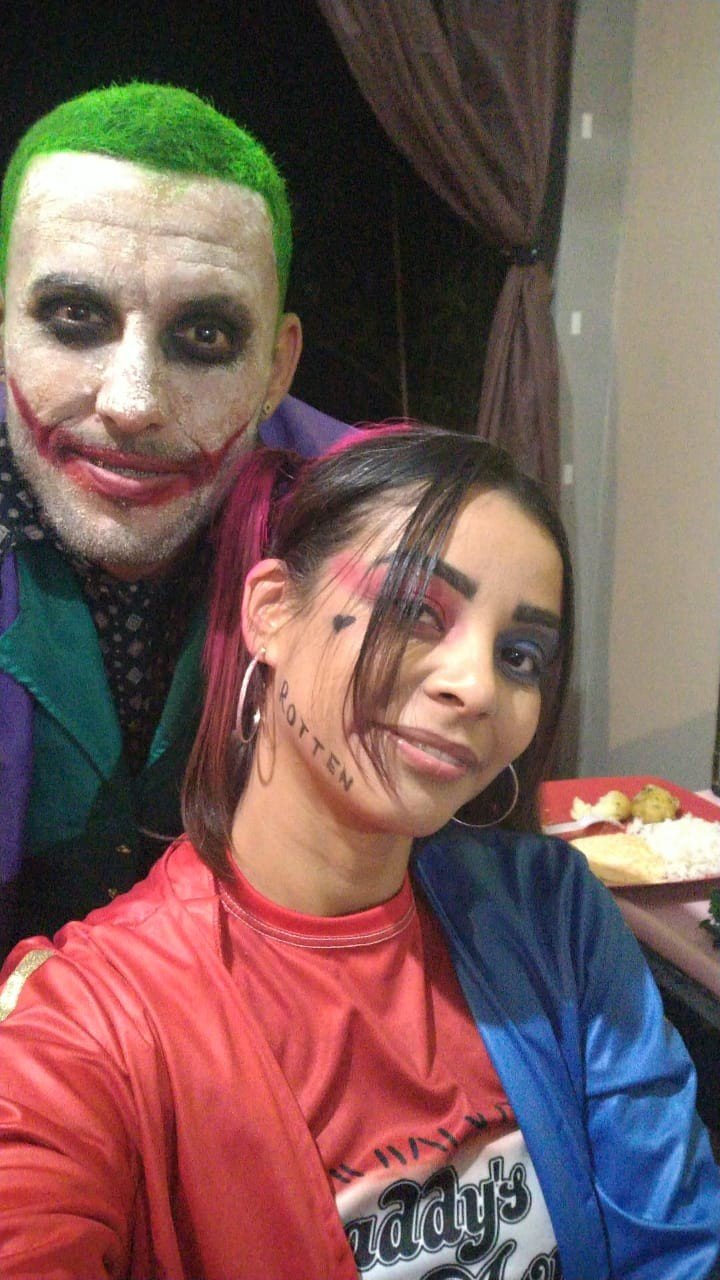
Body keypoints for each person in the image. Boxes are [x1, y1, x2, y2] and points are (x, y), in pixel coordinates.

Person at [0, 425, 718, 1280]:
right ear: (272, 613)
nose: (478, 687)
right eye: (415, 610)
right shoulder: (91, 1024)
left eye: (519, 655)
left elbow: (674, 1244)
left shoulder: (551, 913)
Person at [0, 81, 349, 954]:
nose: (132, 404)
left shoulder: (368, 526)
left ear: (277, 368)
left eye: (204, 338)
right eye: (74, 317)